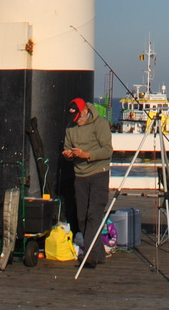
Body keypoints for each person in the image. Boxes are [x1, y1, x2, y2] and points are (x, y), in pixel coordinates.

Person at [61, 97, 113, 267]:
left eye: (79, 118)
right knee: (82, 217)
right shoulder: (71, 127)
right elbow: (67, 146)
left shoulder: (100, 124)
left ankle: (89, 255)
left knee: (94, 214)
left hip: (99, 173)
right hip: (80, 175)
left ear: (85, 112)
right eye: (74, 119)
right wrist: (68, 154)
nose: (77, 122)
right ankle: (98, 254)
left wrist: (87, 155)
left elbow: (108, 150)